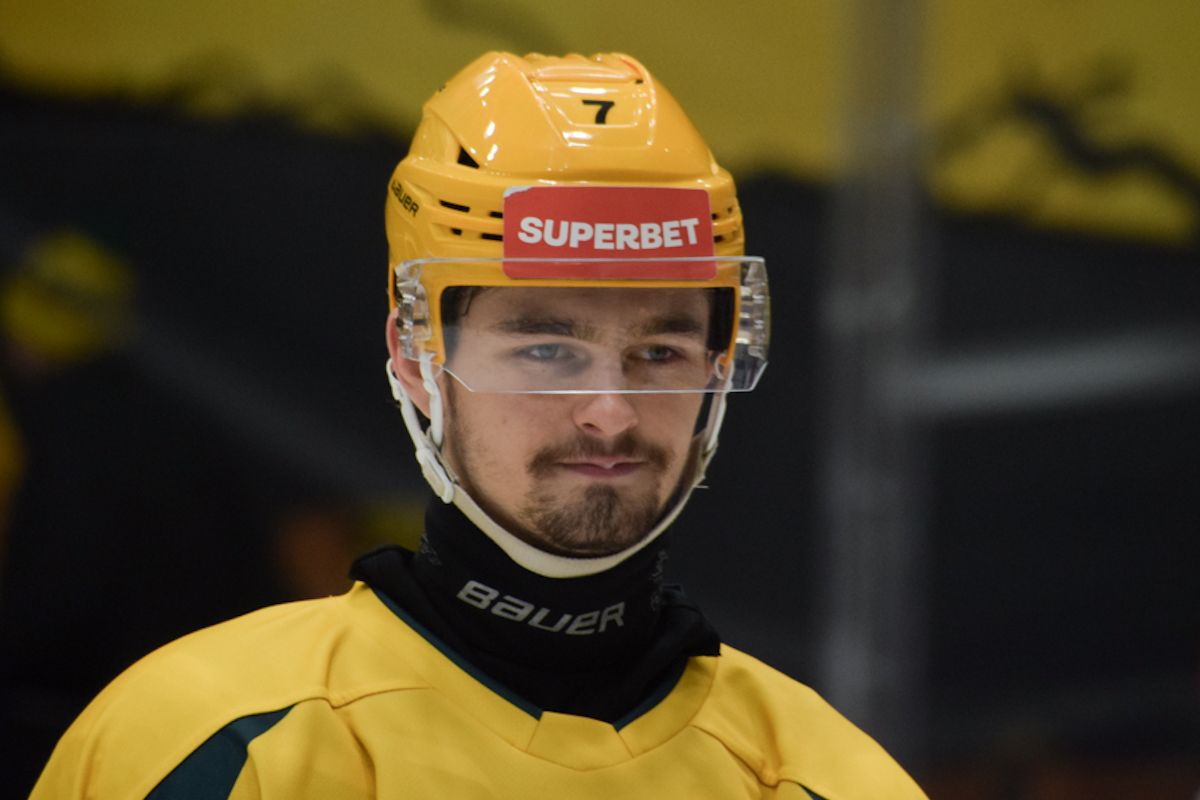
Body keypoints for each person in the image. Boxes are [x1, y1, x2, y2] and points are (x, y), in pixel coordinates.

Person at [32, 52, 927, 798]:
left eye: (661, 351)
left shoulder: (824, 779)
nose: (610, 412)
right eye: (546, 349)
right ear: (416, 359)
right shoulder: (211, 745)